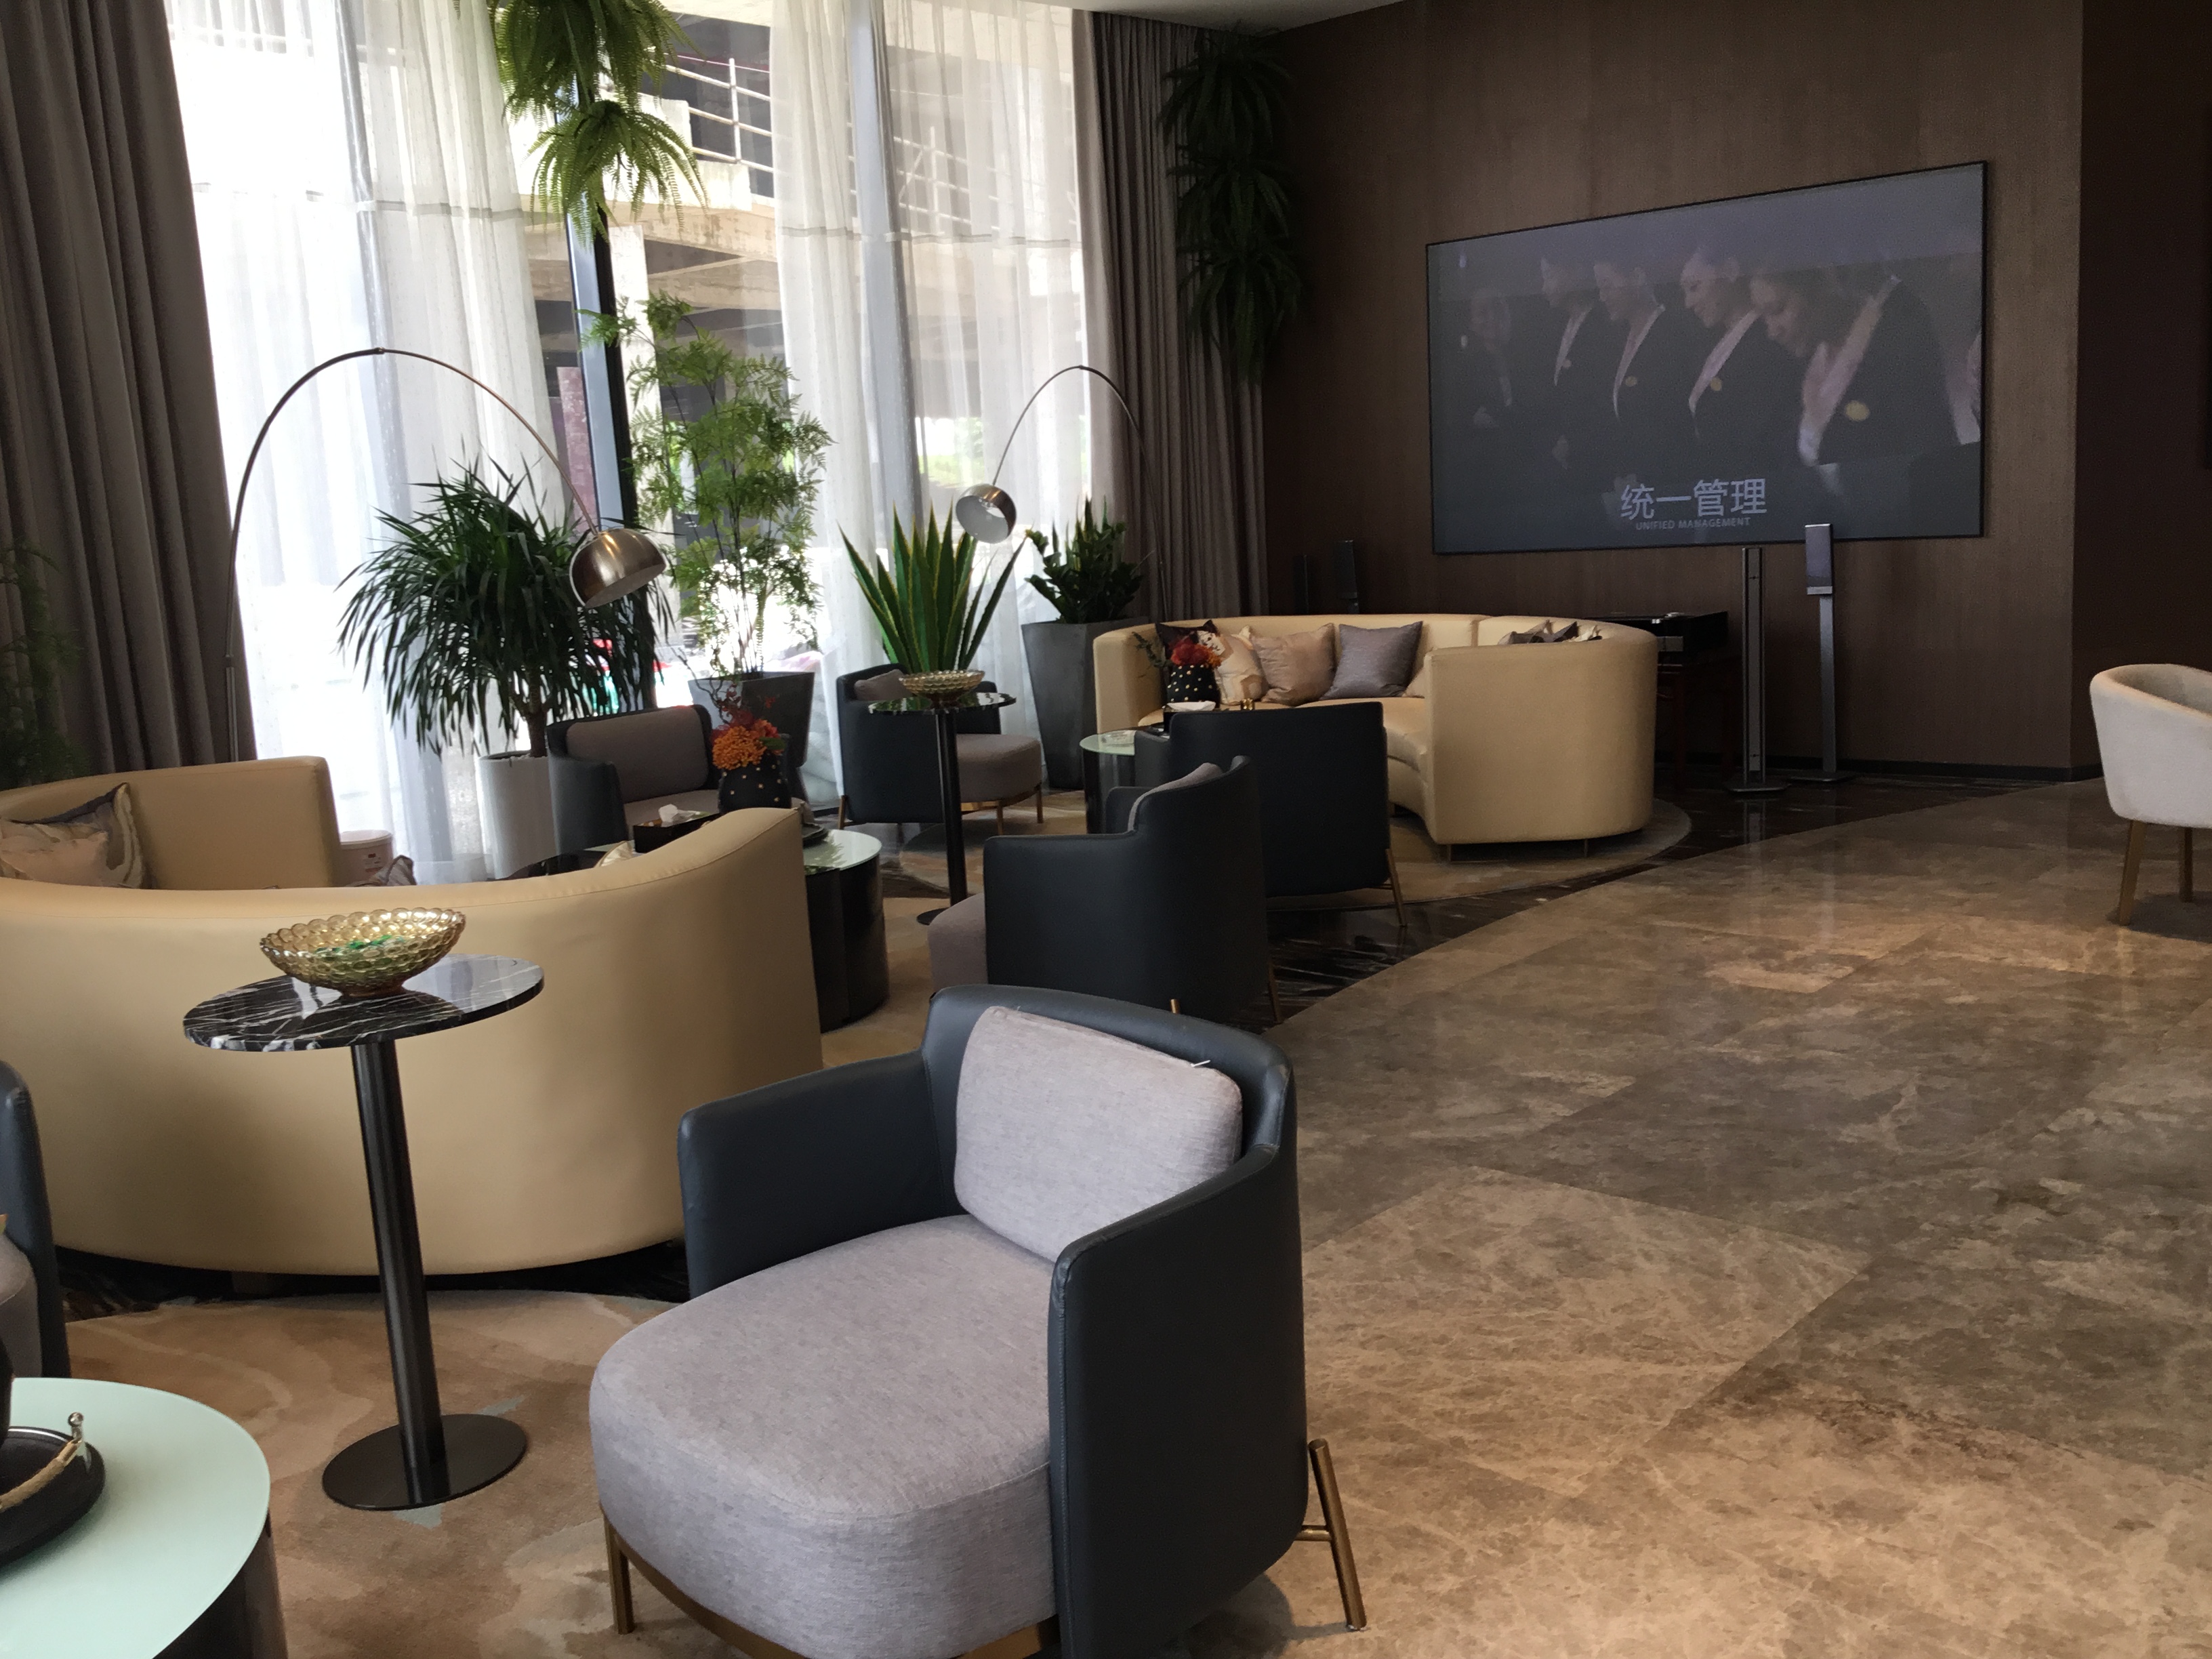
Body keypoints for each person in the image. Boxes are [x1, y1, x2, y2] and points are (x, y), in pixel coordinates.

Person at [1748, 265, 1957, 468]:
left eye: (1777, 310)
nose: (1772, 332)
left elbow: (1930, 454)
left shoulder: (1895, 343)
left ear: (1819, 287)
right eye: (1764, 317)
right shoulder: (1800, 366)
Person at [1678, 246, 1800, 476]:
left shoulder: (1767, 342)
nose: (1688, 303)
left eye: (1694, 287)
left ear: (1730, 271)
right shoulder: (1711, 342)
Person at [1593, 256, 1704, 488]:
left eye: (1607, 286)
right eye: (1599, 289)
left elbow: (1678, 421)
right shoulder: (1615, 341)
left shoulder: (1676, 334)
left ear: (1637, 277)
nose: (1602, 297)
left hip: (1674, 482)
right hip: (1632, 485)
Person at [1530, 256, 1622, 506]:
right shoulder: (1556, 326)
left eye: (1550, 276)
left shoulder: (1604, 324)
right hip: (1568, 461)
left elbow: (1602, 398)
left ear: (1575, 272)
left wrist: (1574, 441)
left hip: (1599, 460)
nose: (1544, 288)